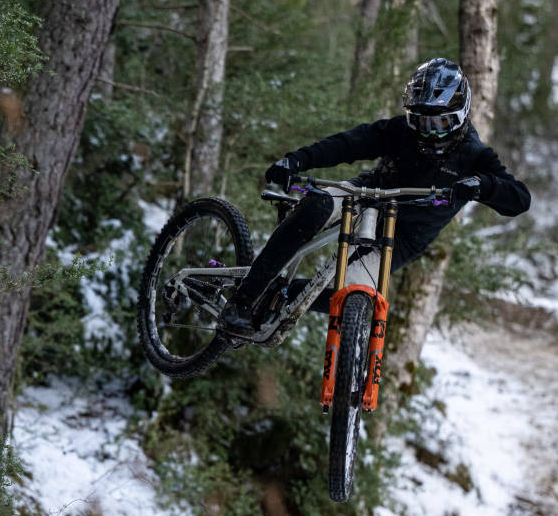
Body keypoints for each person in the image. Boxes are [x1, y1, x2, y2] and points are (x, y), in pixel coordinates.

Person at [218, 57, 531, 333]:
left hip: (403, 236)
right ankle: (244, 299)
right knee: (315, 207)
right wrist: (297, 159)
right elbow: (351, 143)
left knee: (347, 293)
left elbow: (519, 198)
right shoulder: (401, 131)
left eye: (439, 122)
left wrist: (482, 186)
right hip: (367, 196)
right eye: (420, 120)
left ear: (460, 115)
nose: (428, 131)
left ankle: (277, 294)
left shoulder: (473, 154)